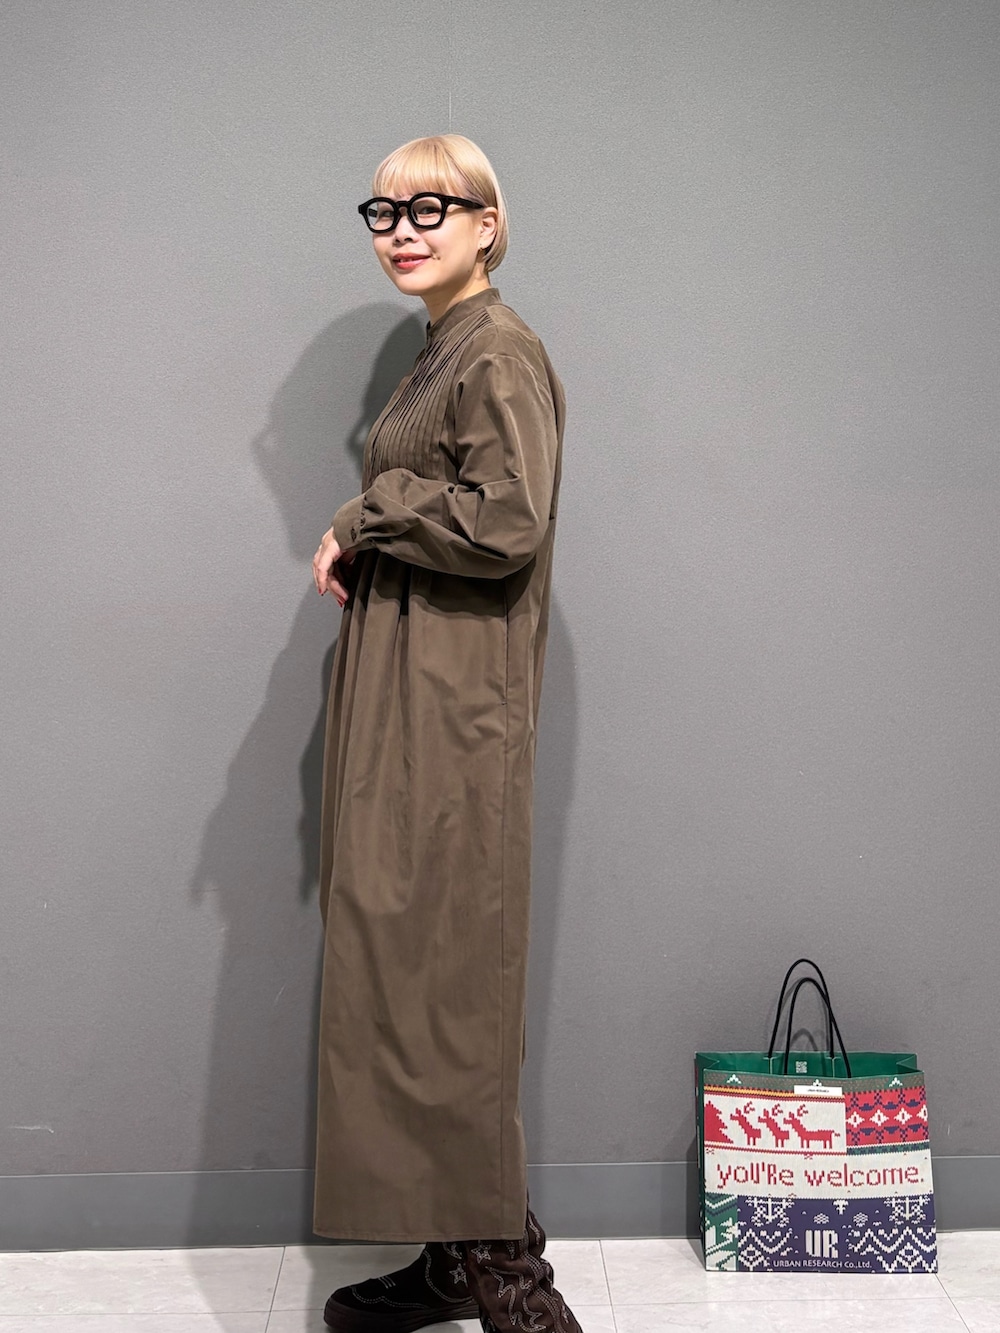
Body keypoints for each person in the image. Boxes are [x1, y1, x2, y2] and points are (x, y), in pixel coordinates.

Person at [311, 134, 580, 1333]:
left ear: (486, 223)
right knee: (405, 965)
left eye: (433, 206)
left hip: (454, 712)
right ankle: (449, 1251)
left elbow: (506, 520)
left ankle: (509, 1283)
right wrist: (360, 517)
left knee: (445, 978)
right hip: (410, 696)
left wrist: (370, 508)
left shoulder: (497, 350)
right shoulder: (443, 351)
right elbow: (438, 496)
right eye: (385, 211)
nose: (405, 229)